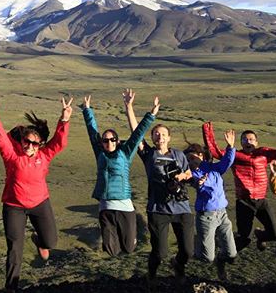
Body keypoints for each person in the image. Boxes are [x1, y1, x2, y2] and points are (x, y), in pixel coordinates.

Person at [0, 91, 72, 293]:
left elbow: (59, 143)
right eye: (27, 142)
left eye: (35, 143)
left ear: (40, 144)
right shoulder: (11, 155)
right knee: (15, 248)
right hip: (14, 206)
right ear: (22, 140)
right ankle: (11, 292)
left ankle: (39, 240)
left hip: (40, 203)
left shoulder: (44, 155)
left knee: (50, 243)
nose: (30, 146)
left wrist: (64, 119)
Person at [81, 90, 159, 256]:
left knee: (129, 247)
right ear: (101, 143)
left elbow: (138, 134)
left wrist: (150, 115)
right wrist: (87, 110)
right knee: (110, 249)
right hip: (106, 208)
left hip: (124, 206)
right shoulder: (100, 153)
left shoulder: (125, 153)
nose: (108, 142)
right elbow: (91, 132)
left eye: (112, 139)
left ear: (117, 141)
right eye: (105, 140)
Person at [126, 105, 193, 281]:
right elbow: (136, 132)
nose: (160, 136)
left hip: (182, 207)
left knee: (188, 251)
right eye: (156, 134)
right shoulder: (149, 154)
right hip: (158, 209)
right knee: (160, 252)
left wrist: (182, 176)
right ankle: (152, 274)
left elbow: (189, 173)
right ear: (152, 137)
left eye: (163, 134)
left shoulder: (179, 155)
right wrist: (129, 107)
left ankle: (178, 264)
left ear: (169, 137)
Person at [203, 123, 276, 251]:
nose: (248, 141)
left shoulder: (264, 153)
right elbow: (215, 152)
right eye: (244, 139)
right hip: (244, 201)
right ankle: (224, 254)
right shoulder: (235, 155)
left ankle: (261, 236)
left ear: (256, 142)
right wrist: (208, 132)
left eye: (251, 139)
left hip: (261, 201)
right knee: (244, 239)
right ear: (240, 143)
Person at [184, 130, 237, 281]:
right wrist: (199, 183)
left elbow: (227, 162)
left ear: (201, 156)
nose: (193, 161)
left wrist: (230, 147)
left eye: (195, 157)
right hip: (206, 217)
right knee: (207, 258)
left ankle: (220, 263)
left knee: (231, 253)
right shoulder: (192, 174)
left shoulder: (213, 168)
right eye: (189, 159)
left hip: (222, 214)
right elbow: (195, 183)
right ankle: (186, 256)